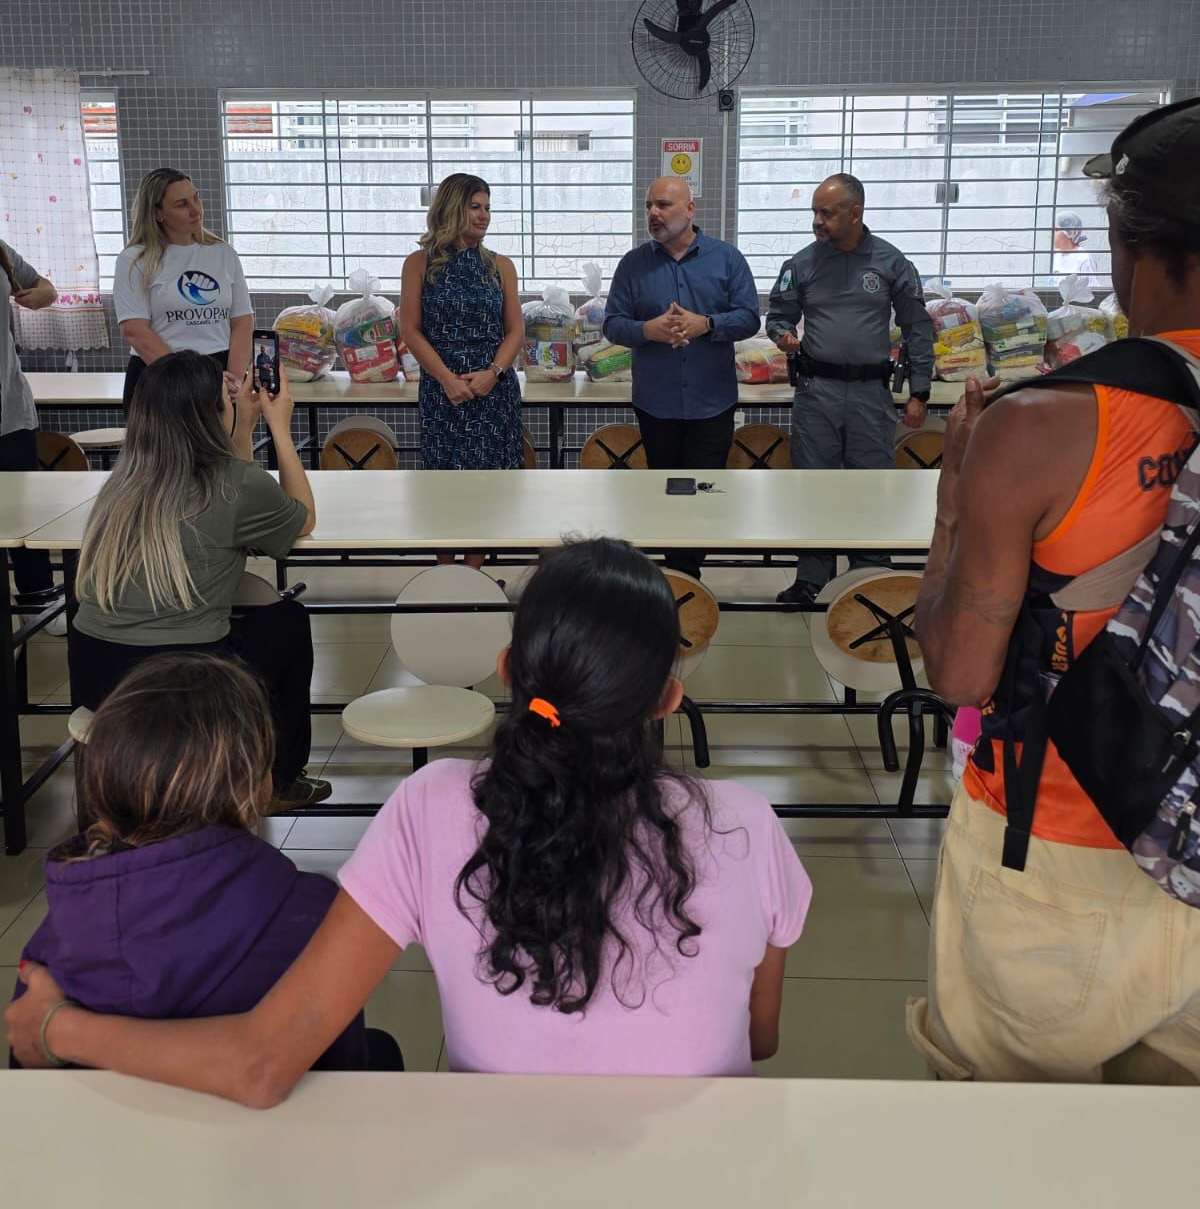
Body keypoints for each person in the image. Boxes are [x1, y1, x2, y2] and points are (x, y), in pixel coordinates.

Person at [7, 538, 813, 1094]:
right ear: (669, 699)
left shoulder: (433, 807)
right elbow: (764, 1037)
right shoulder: (748, 823)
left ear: (506, 672)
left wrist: (56, 1029)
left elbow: (259, 1064)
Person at [909, 96, 1200, 1083]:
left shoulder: (1043, 426)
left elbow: (957, 669)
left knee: (1012, 1144)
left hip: (1059, 844)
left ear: (1128, 245)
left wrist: (955, 500)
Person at [9, 654, 401, 1072]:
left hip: (105, 1132)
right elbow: (340, 1070)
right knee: (381, 1051)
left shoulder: (58, 931)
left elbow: (26, 1057)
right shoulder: (313, 910)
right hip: (264, 1131)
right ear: (255, 785)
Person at [68, 350, 330, 812]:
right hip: (181, 678)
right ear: (211, 415)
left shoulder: (121, 482)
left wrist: (244, 429)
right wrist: (280, 428)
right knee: (288, 619)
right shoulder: (235, 485)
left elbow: (238, 489)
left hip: (95, 672)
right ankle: (281, 778)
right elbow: (301, 519)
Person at [765, 173, 934, 607]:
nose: (817, 221)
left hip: (869, 395)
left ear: (855, 213)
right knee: (814, 486)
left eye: (827, 213)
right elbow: (777, 316)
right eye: (814, 212)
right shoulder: (801, 264)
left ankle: (870, 571)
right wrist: (783, 334)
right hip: (816, 392)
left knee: (870, 487)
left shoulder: (892, 262)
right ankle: (811, 576)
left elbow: (917, 328)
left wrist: (920, 392)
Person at [603, 178, 760, 574]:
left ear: (690, 209)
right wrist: (647, 331)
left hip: (712, 402)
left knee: (703, 494)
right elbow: (613, 324)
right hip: (657, 403)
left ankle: (689, 577)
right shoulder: (633, 264)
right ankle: (673, 577)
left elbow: (748, 317)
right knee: (665, 491)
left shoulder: (727, 259)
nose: (653, 213)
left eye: (664, 204)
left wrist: (706, 323)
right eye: (648, 205)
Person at [398, 173, 524, 568]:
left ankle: (473, 572)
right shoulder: (418, 264)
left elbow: (515, 329)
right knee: (443, 485)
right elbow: (410, 330)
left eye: (487, 207)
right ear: (452, 208)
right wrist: (446, 379)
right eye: (475, 206)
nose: (484, 215)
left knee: (487, 486)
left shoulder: (501, 266)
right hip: (442, 391)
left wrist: (494, 373)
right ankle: (445, 572)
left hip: (493, 390)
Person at [113, 169, 253, 414]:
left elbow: (242, 321)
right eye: (181, 204)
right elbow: (134, 331)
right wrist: (188, 381)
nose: (196, 210)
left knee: (224, 452)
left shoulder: (223, 254)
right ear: (157, 213)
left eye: (196, 198)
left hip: (217, 371)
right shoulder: (134, 260)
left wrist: (235, 380)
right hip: (161, 375)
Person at [0, 238, 59, 613]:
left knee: (23, 505)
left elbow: (43, 286)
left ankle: (39, 599)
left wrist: (41, 295)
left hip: (9, 406)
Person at [1052, 210, 1100, 285]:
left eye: (1056, 230)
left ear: (1071, 232)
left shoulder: (1084, 259)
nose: (1051, 235)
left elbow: (1092, 290)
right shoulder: (1056, 257)